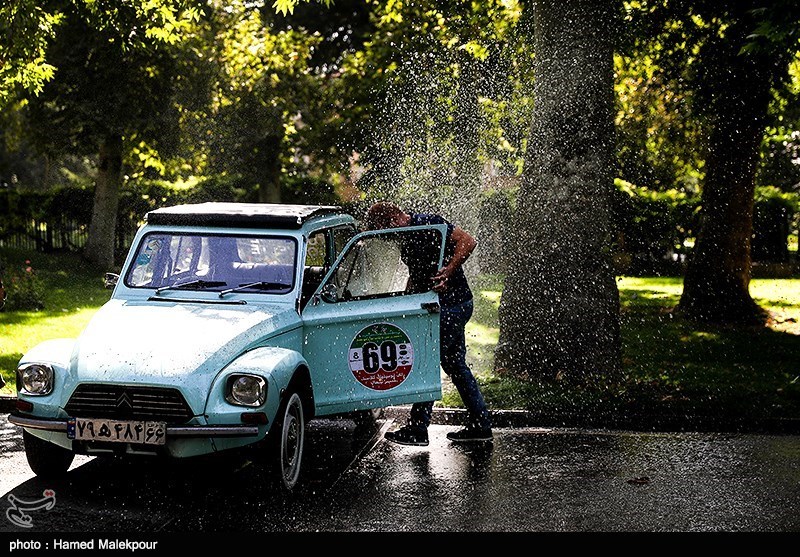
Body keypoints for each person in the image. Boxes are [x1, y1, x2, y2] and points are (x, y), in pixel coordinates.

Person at [364, 201, 492, 445]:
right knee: (454, 364)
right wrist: (405, 300)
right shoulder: (408, 237)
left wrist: (448, 271)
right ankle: (480, 424)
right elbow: (417, 273)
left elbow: (468, 241)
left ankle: (418, 428)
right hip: (446, 306)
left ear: (391, 220)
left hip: (451, 306)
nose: (387, 239)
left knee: (427, 362)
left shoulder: (429, 224)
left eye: (384, 232)